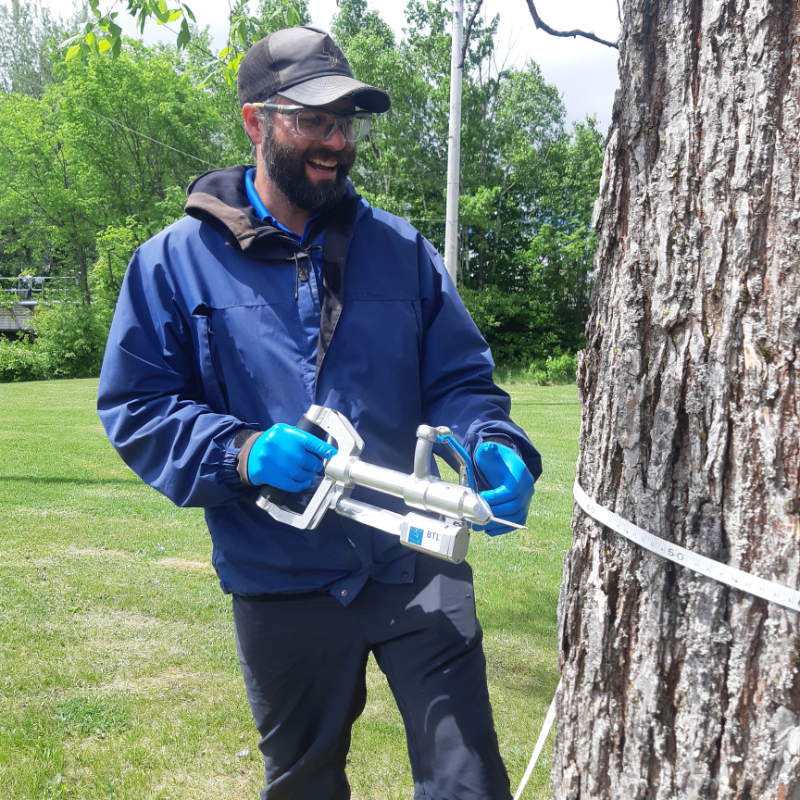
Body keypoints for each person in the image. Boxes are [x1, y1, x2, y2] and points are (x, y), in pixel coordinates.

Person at [97, 25, 542, 800]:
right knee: (304, 785)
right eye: (312, 119)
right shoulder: (170, 263)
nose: (335, 141)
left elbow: (462, 379)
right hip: (279, 578)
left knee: (469, 780)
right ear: (254, 121)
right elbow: (137, 405)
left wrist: (491, 439)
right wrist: (236, 452)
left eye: (346, 122)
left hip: (419, 567)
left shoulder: (401, 250)